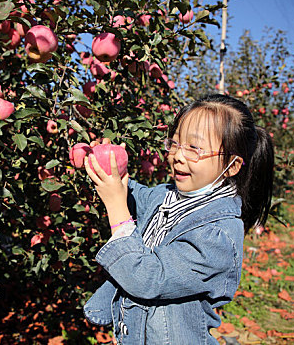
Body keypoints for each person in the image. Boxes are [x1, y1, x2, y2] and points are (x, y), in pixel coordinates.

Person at [81, 94, 274, 344]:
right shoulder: (168, 196)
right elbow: (134, 195)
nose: (177, 156)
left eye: (194, 148)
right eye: (174, 143)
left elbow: (149, 279)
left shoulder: (218, 235)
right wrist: (110, 167)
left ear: (232, 165)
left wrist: (116, 206)